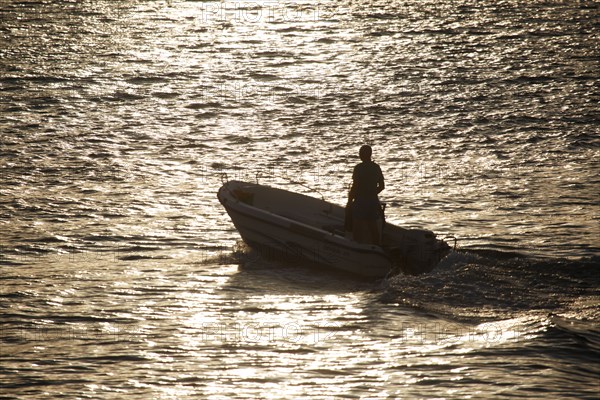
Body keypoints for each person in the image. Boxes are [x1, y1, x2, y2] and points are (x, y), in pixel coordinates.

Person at [348, 145, 385, 245]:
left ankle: (356, 245)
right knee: (373, 225)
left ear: (363, 155)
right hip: (373, 200)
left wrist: (350, 200)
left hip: (361, 200)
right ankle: (376, 246)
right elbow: (382, 186)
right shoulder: (376, 167)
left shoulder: (359, 168)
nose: (359, 155)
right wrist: (372, 193)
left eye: (360, 153)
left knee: (357, 225)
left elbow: (355, 186)